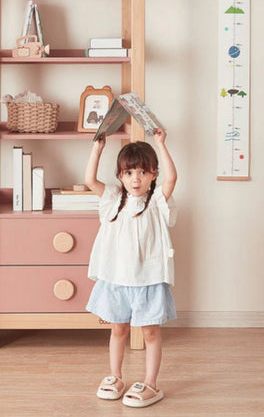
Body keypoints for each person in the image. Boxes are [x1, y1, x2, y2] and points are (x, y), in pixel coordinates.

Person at [84, 129, 177, 408]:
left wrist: (160, 143)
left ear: (152, 174)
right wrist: (98, 148)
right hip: (116, 280)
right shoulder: (113, 199)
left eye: (142, 172)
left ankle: (151, 382)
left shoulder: (157, 201)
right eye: (128, 173)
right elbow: (89, 180)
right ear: (120, 177)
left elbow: (172, 178)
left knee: (150, 332)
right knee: (118, 330)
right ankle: (115, 376)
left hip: (148, 279)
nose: (135, 178)